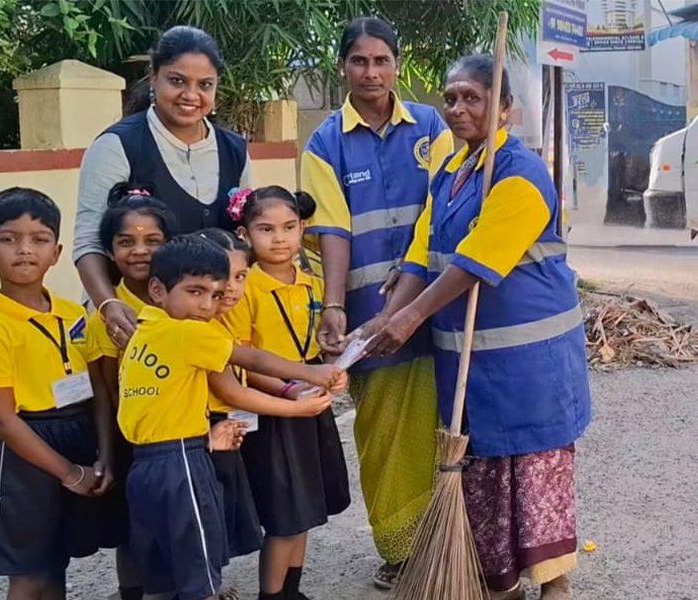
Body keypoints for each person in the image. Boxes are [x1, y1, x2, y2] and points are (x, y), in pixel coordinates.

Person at [363, 55, 592, 600]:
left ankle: (554, 582)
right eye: (450, 98)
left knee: (534, 470)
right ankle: (500, 582)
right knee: (484, 470)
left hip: (530, 360)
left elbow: (476, 261)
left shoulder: (521, 174)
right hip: (469, 358)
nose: (457, 108)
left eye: (472, 97)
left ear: (504, 108)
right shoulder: (451, 172)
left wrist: (410, 318)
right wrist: (389, 314)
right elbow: (422, 252)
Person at [299, 16, 453, 588]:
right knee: (384, 432)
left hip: (436, 304)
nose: (371, 72)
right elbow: (332, 230)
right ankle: (400, 548)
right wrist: (334, 306)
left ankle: (452, 543)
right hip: (369, 317)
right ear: (343, 67)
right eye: (359, 61)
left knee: (449, 422)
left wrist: (412, 280)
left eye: (381, 60)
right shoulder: (325, 143)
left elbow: (443, 209)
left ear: (397, 65)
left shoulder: (432, 126)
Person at [118, 236, 345, 600]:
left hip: (144, 465)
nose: (206, 305)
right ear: (158, 290)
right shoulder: (189, 332)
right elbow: (252, 359)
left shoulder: (146, 329)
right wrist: (310, 373)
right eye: (195, 292)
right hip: (182, 465)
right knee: (200, 580)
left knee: (161, 577)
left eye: (215, 295)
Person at [0, 188, 116, 600]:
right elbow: (3, 419)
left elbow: (99, 390)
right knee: (30, 570)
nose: (25, 250)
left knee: (57, 561)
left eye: (39, 239)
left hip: (78, 430)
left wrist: (104, 455)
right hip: (28, 450)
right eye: (8, 239)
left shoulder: (73, 313)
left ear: (56, 252)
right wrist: (69, 473)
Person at [74, 25, 251, 351]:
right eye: (177, 81)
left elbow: (244, 237)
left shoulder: (234, 149)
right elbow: (89, 242)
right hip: (134, 327)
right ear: (153, 77)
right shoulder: (118, 146)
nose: (191, 95)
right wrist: (108, 305)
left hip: (211, 328)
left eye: (205, 85)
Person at [224, 186, 352, 600]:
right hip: (273, 410)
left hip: (309, 403)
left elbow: (316, 349)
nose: (279, 238)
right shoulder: (244, 289)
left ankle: (291, 591)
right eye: (266, 229)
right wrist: (290, 388)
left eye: (289, 227)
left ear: (303, 228)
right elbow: (242, 361)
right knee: (285, 515)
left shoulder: (313, 284)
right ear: (244, 234)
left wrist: (332, 374)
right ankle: (272, 594)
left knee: (306, 509)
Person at [86, 184, 179, 600]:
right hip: (134, 440)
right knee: (133, 527)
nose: (139, 251)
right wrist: (111, 451)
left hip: (183, 433)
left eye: (152, 241)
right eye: (126, 242)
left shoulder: (181, 303)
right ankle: (131, 592)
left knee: (181, 519)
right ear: (110, 251)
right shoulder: (106, 318)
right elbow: (107, 393)